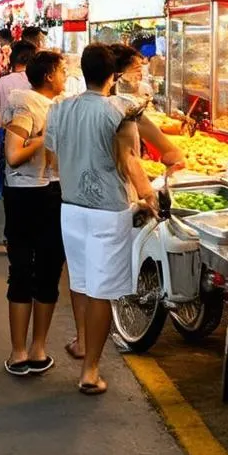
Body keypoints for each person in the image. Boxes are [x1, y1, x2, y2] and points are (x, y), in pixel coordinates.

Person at [45, 44, 157, 396]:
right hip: (108, 211)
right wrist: (148, 194)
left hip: (71, 207)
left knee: (80, 282)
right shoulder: (119, 110)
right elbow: (129, 160)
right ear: (112, 75)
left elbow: (52, 158)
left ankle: (81, 342)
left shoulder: (60, 108)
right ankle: (90, 370)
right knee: (102, 292)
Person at [1, 51, 68, 376]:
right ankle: (20, 350)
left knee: (48, 270)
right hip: (26, 195)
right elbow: (13, 155)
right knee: (25, 270)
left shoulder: (59, 104)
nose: (65, 76)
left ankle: (37, 349)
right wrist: (46, 136)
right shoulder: (27, 104)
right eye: (62, 71)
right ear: (48, 76)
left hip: (52, 192)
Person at [0, 41, 36, 217]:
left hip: (7, 135)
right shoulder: (36, 81)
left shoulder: (2, 83)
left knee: (7, 178)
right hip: (34, 136)